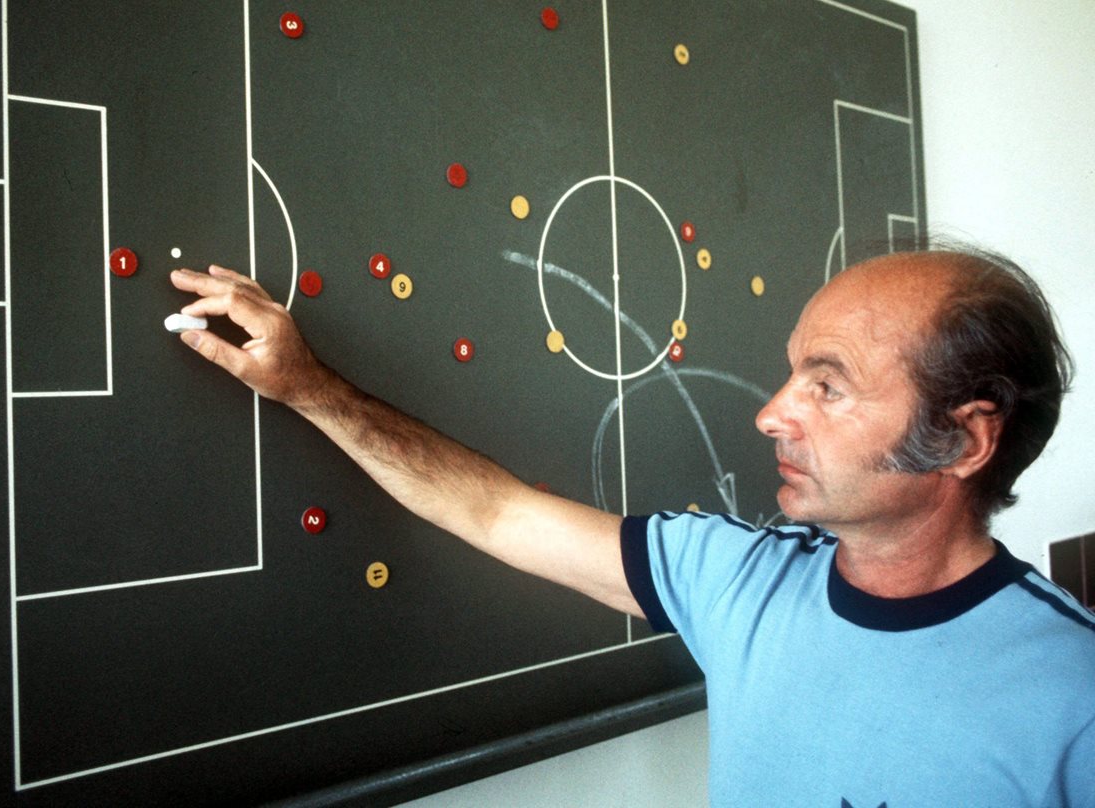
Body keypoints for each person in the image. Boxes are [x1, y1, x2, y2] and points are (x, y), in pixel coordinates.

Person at [170, 247, 1094, 805]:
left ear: (964, 440)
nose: (773, 413)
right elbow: (496, 509)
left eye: (828, 384)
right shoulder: (737, 580)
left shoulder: (1072, 695)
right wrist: (308, 388)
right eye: (790, 374)